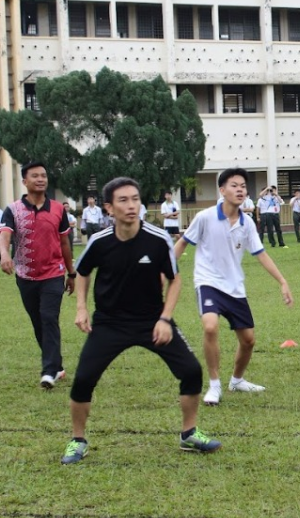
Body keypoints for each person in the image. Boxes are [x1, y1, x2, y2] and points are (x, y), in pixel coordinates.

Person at [61, 177, 221, 465]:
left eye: (135, 199)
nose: (131, 205)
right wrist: (81, 308)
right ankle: (78, 440)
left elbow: (175, 281)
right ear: (109, 208)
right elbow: (82, 272)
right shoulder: (99, 242)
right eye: (123, 200)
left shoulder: (158, 239)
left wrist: (165, 318)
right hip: (109, 322)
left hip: (152, 320)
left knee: (191, 371)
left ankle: (189, 434)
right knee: (83, 379)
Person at [174, 168, 293, 406]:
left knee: (248, 340)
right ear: (222, 190)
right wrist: (165, 270)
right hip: (207, 282)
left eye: (243, 186)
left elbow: (261, 254)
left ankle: (237, 381)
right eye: (234, 185)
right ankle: (214, 385)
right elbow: (183, 243)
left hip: (235, 287)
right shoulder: (205, 217)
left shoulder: (246, 223)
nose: (240, 190)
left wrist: (282, 281)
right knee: (210, 327)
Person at [0, 162, 75, 389]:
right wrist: (4, 254)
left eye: (44, 175)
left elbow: (64, 242)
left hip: (53, 273)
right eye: (35, 176)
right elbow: (4, 235)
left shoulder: (59, 209)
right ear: (25, 181)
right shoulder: (12, 210)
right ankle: (57, 366)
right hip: (25, 275)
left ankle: (49, 371)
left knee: (49, 317)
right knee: (38, 321)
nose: (41, 179)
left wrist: (71, 272)